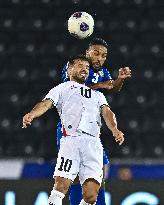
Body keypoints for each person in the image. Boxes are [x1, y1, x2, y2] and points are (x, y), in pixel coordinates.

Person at [22, 54, 124, 205]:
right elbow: (46, 104)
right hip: (71, 141)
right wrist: (32, 114)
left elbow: (107, 113)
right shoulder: (61, 88)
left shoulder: (98, 95)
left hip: (93, 144)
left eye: (87, 67)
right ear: (70, 69)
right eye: (80, 65)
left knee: (91, 196)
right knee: (61, 185)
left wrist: (115, 130)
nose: (85, 69)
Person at [59, 38, 131, 205]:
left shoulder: (102, 72)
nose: (100, 58)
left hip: (91, 133)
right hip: (71, 131)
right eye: (96, 53)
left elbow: (112, 87)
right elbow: (70, 91)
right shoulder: (75, 67)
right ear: (87, 53)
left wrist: (120, 79)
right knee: (77, 176)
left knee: (98, 175)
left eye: (104, 55)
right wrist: (100, 86)